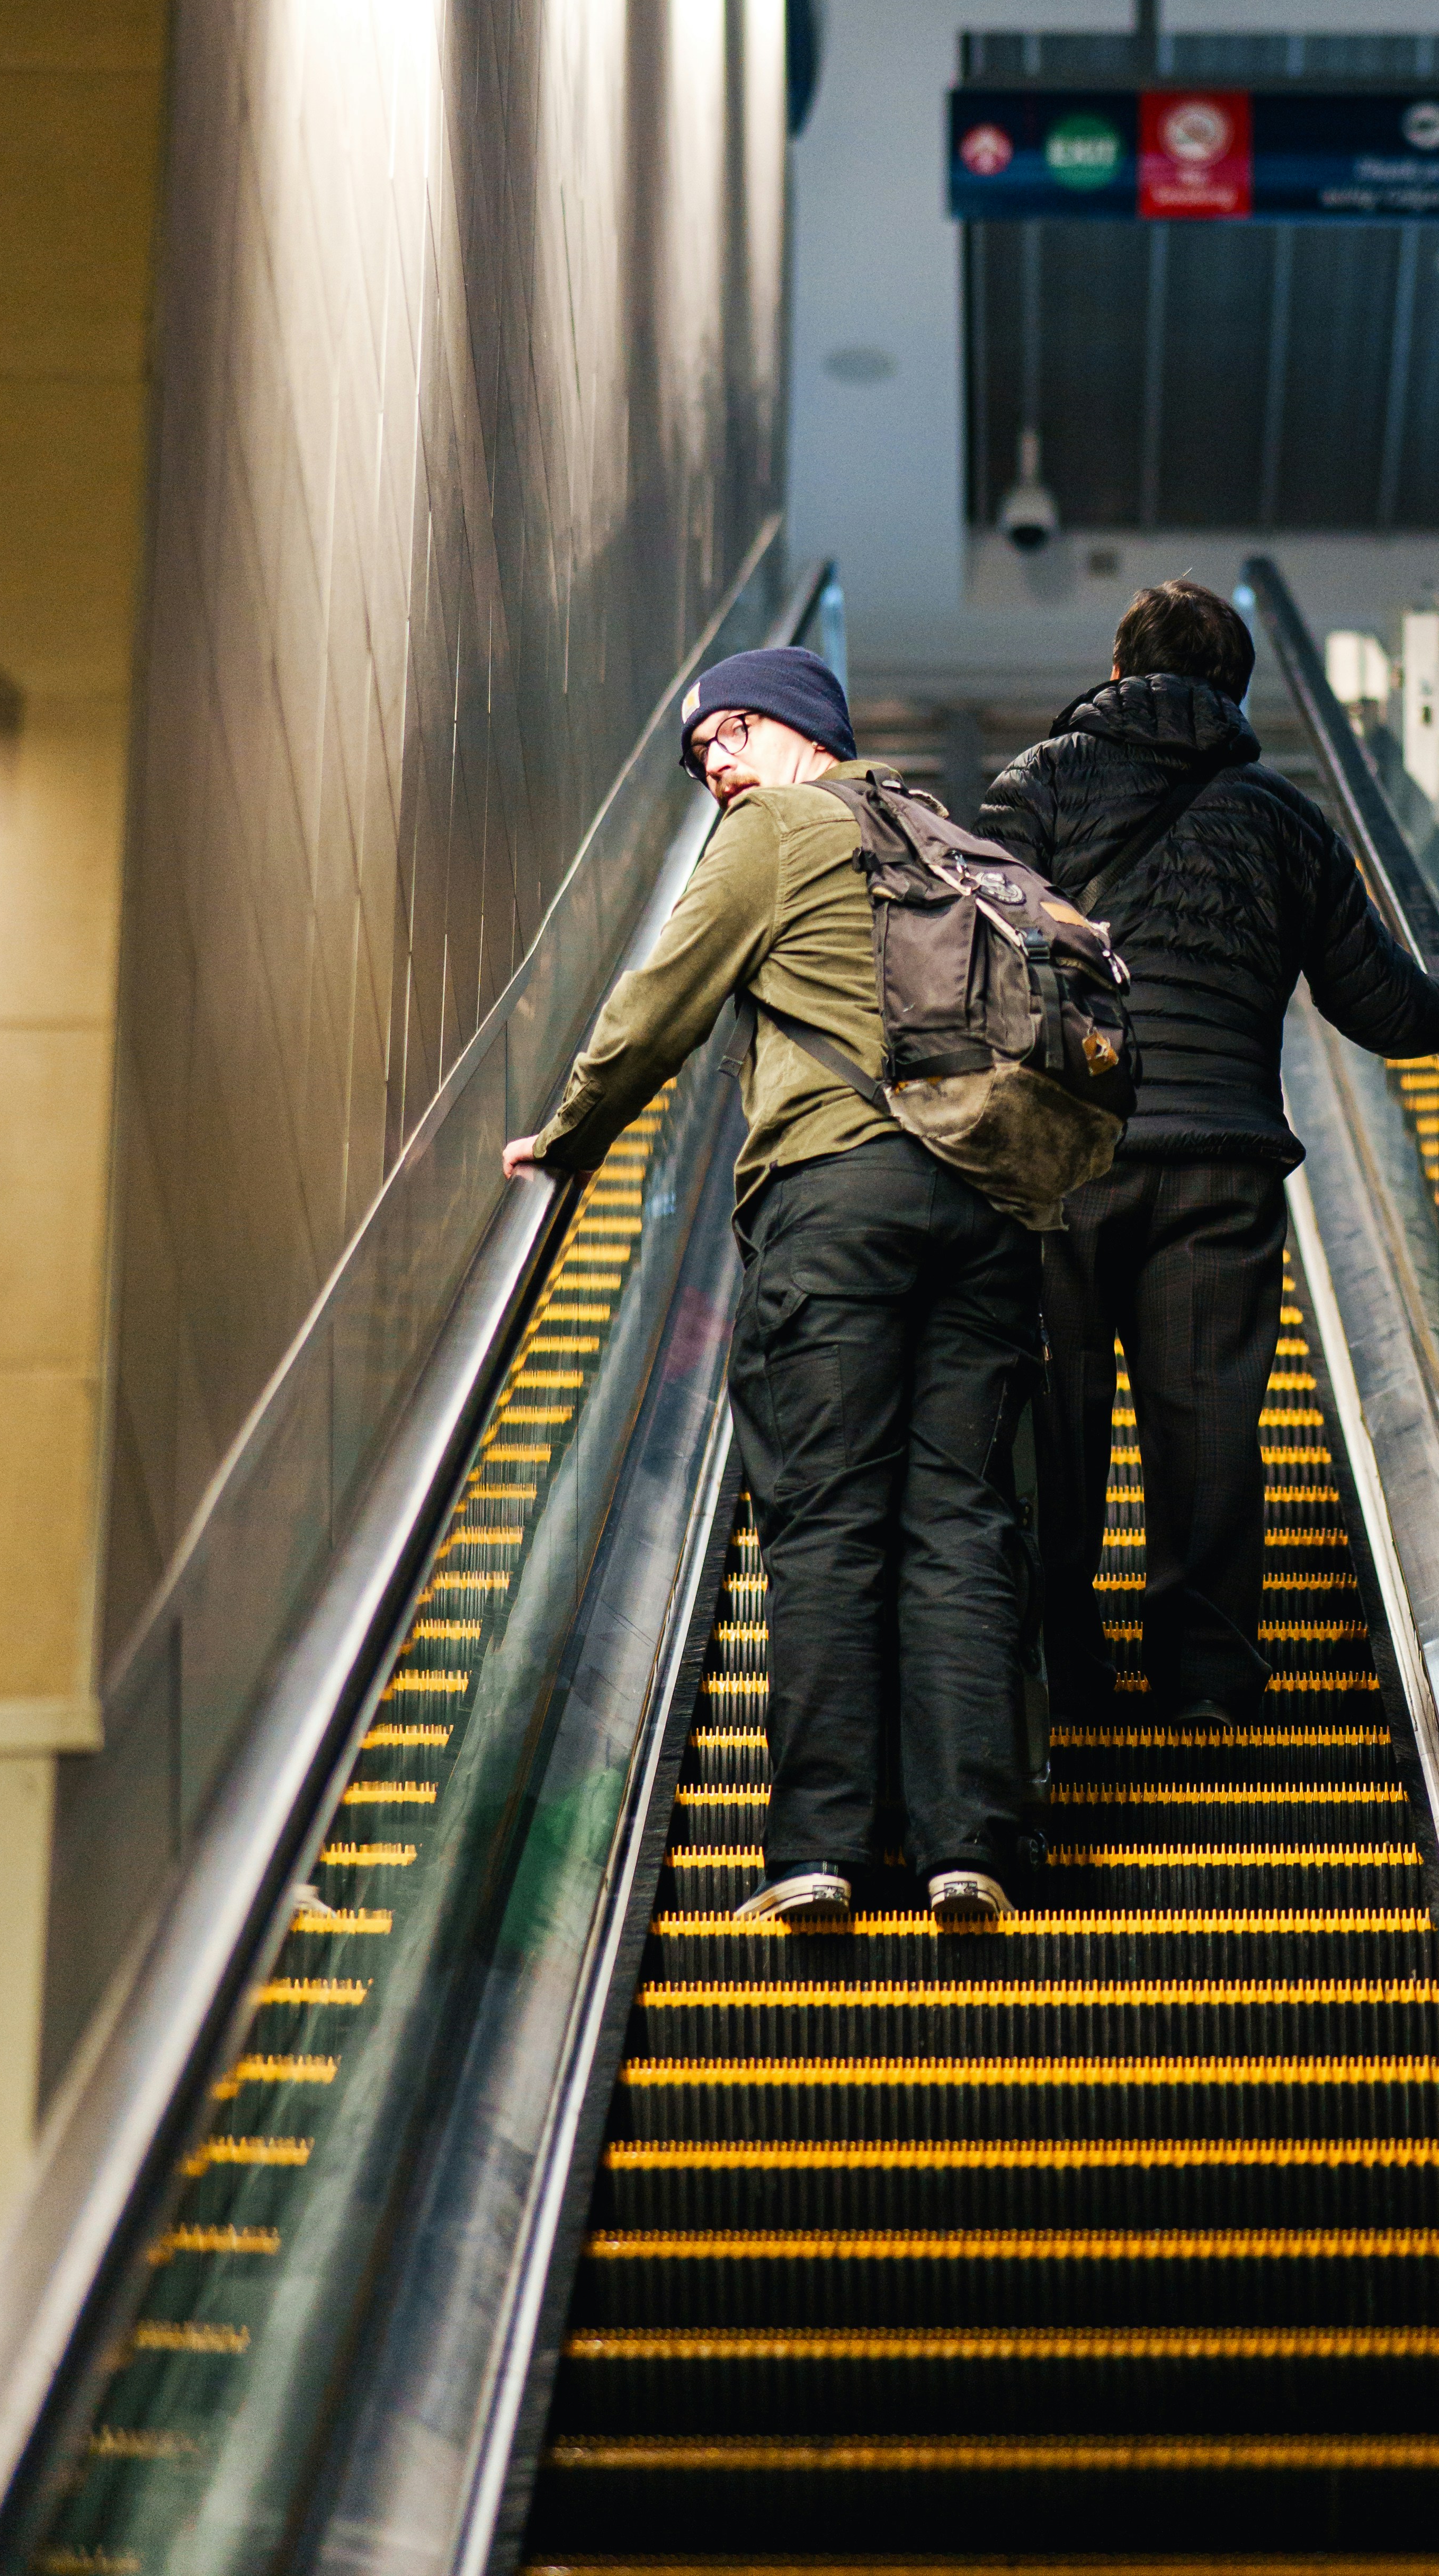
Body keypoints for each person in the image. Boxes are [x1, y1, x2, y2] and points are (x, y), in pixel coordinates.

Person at [502, 645, 1038, 1929]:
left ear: (794, 729)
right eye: (700, 759)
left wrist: (568, 1137)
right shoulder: (944, 836)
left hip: (835, 1202)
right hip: (985, 1208)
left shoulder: (775, 833)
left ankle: (822, 1853)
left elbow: (656, 1009)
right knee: (959, 1520)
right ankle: (971, 1847)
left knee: (828, 1517)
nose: (715, 769)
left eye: (726, 736)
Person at [982, 577, 1439, 1725]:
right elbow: (1369, 998)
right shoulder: (1282, 817)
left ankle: (1062, 1670)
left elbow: (971, 950)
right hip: (1217, 1160)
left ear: (1118, 671)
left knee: (1054, 1421)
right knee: (1207, 1420)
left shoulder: (1038, 785)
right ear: (1233, 688)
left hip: (1063, 1154)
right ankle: (1205, 1681)